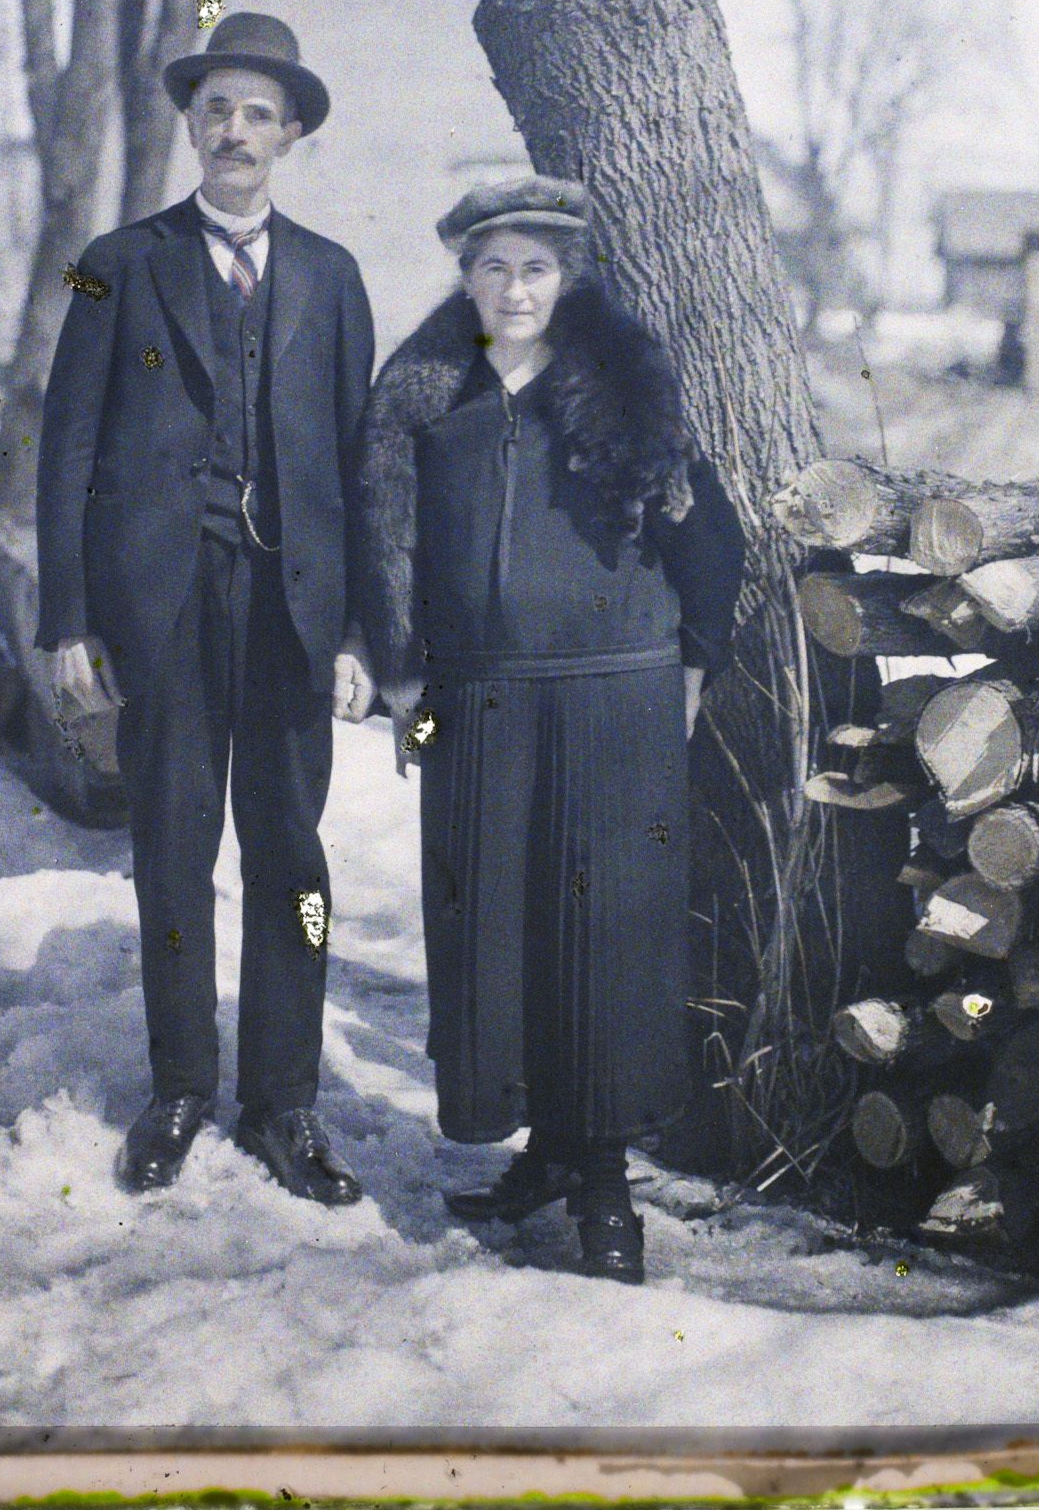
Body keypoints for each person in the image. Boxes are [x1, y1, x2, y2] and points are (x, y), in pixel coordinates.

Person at [355, 176, 745, 1283]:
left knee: (606, 940)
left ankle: (607, 1185)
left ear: (566, 279)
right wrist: (398, 680)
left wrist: (694, 666)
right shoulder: (428, 402)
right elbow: (392, 555)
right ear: (464, 276)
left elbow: (710, 544)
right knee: (499, 930)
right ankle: (547, 1151)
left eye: (534, 267)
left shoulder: (626, 395)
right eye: (492, 266)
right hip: (477, 702)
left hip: (613, 696)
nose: (513, 288)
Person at [35, 11, 376, 1202]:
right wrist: (68, 619)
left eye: (258, 112)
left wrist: (357, 631)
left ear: (291, 133)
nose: (235, 131)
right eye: (216, 108)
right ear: (192, 124)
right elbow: (65, 442)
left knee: (293, 856)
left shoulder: (332, 277)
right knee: (171, 849)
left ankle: (284, 1103)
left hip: (291, 607)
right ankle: (178, 1083)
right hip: (159, 606)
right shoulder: (113, 259)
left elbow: (356, 461)